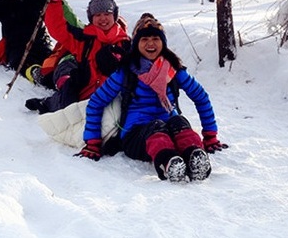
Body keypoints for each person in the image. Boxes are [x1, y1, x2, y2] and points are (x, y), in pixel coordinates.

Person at [78, 14, 227, 182]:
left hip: (170, 129)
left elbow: (201, 98)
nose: (150, 43)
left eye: (156, 38)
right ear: (136, 44)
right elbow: (96, 103)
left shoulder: (173, 70)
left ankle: (195, 155)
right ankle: (168, 162)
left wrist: (210, 136)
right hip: (135, 136)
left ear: (163, 43)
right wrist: (93, 142)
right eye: (145, 39)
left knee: (179, 122)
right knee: (157, 126)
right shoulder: (126, 72)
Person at [24, 0, 130, 114]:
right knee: (68, 95)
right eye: (97, 15)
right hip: (84, 96)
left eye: (107, 13)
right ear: (91, 18)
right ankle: (47, 103)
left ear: (115, 15)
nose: (103, 18)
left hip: (113, 97)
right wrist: (55, 1)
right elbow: (58, 28)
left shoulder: (126, 43)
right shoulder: (84, 38)